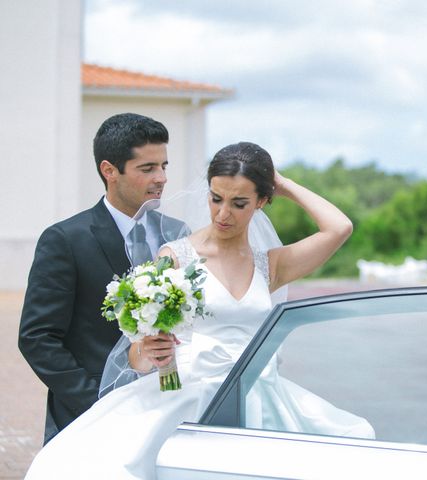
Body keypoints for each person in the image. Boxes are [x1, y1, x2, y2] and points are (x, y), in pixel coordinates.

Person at [24, 142, 373, 479]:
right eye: (216, 198)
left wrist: (283, 184)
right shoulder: (174, 257)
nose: (223, 214)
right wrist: (150, 352)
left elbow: (339, 227)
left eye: (239, 203)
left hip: (259, 395)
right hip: (186, 395)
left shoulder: (271, 265)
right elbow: (136, 354)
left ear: (262, 202)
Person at [18, 113, 187, 444]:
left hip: (169, 407)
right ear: (109, 171)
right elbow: (38, 338)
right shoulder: (65, 240)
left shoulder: (179, 234)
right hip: (91, 415)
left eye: (164, 166)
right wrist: (98, 402)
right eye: (148, 168)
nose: (162, 177)